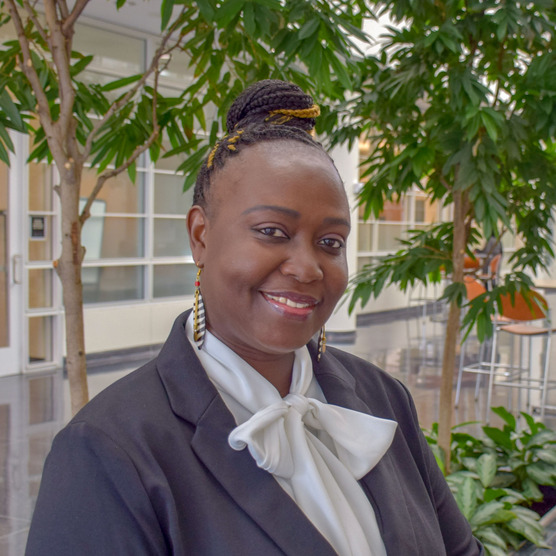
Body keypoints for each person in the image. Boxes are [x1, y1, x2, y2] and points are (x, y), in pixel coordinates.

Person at [25, 80, 483, 555]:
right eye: (272, 231)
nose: (307, 268)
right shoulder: (108, 450)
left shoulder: (382, 398)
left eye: (331, 243)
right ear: (201, 236)